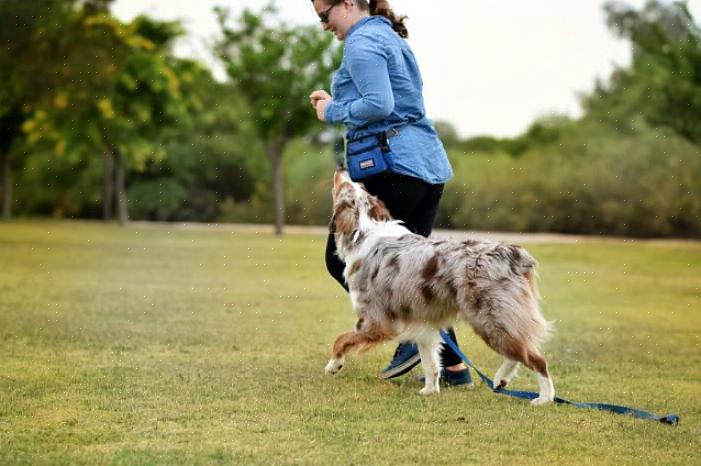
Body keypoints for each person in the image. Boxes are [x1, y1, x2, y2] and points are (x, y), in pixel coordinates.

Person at [309, 0, 473, 387]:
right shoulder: (389, 35)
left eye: (323, 15)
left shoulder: (362, 42)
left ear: (347, 3)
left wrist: (333, 110)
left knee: (341, 260)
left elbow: (379, 104)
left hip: (395, 167)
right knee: (415, 271)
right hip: (425, 166)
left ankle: (411, 336)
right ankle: (452, 367)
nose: (323, 25)